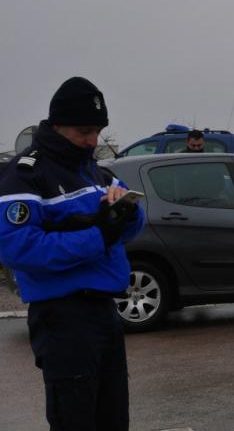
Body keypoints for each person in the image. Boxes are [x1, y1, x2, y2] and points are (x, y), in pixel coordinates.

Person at [0, 77, 145, 431]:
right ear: (58, 125)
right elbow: (18, 247)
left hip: (104, 312)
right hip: (64, 318)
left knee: (112, 419)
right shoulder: (26, 174)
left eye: (97, 131)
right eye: (84, 131)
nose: (93, 141)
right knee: (75, 422)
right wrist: (99, 235)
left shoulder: (93, 169)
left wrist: (126, 214)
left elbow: (135, 221)